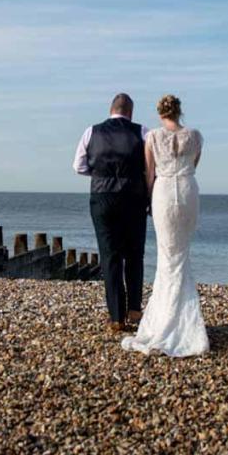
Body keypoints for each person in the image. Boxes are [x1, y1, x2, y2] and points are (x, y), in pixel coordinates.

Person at [122, 94, 209, 357]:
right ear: (179, 111)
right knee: (181, 255)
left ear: (161, 113)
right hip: (187, 191)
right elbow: (193, 165)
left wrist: (148, 201)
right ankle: (184, 323)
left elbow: (150, 174)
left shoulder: (153, 138)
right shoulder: (195, 136)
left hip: (163, 194)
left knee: (167, 256)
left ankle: (166, 321)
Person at [73, 93, 149, 335]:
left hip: (102, 198)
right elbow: (151, 167)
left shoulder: (91, 132)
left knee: (110, 256)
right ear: (131, 112)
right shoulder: (142, 132)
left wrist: (100, 175)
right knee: (135, 254)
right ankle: (135, 309)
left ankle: (117, 317)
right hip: (133, 198)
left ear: (110, 109)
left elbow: (79, 166)